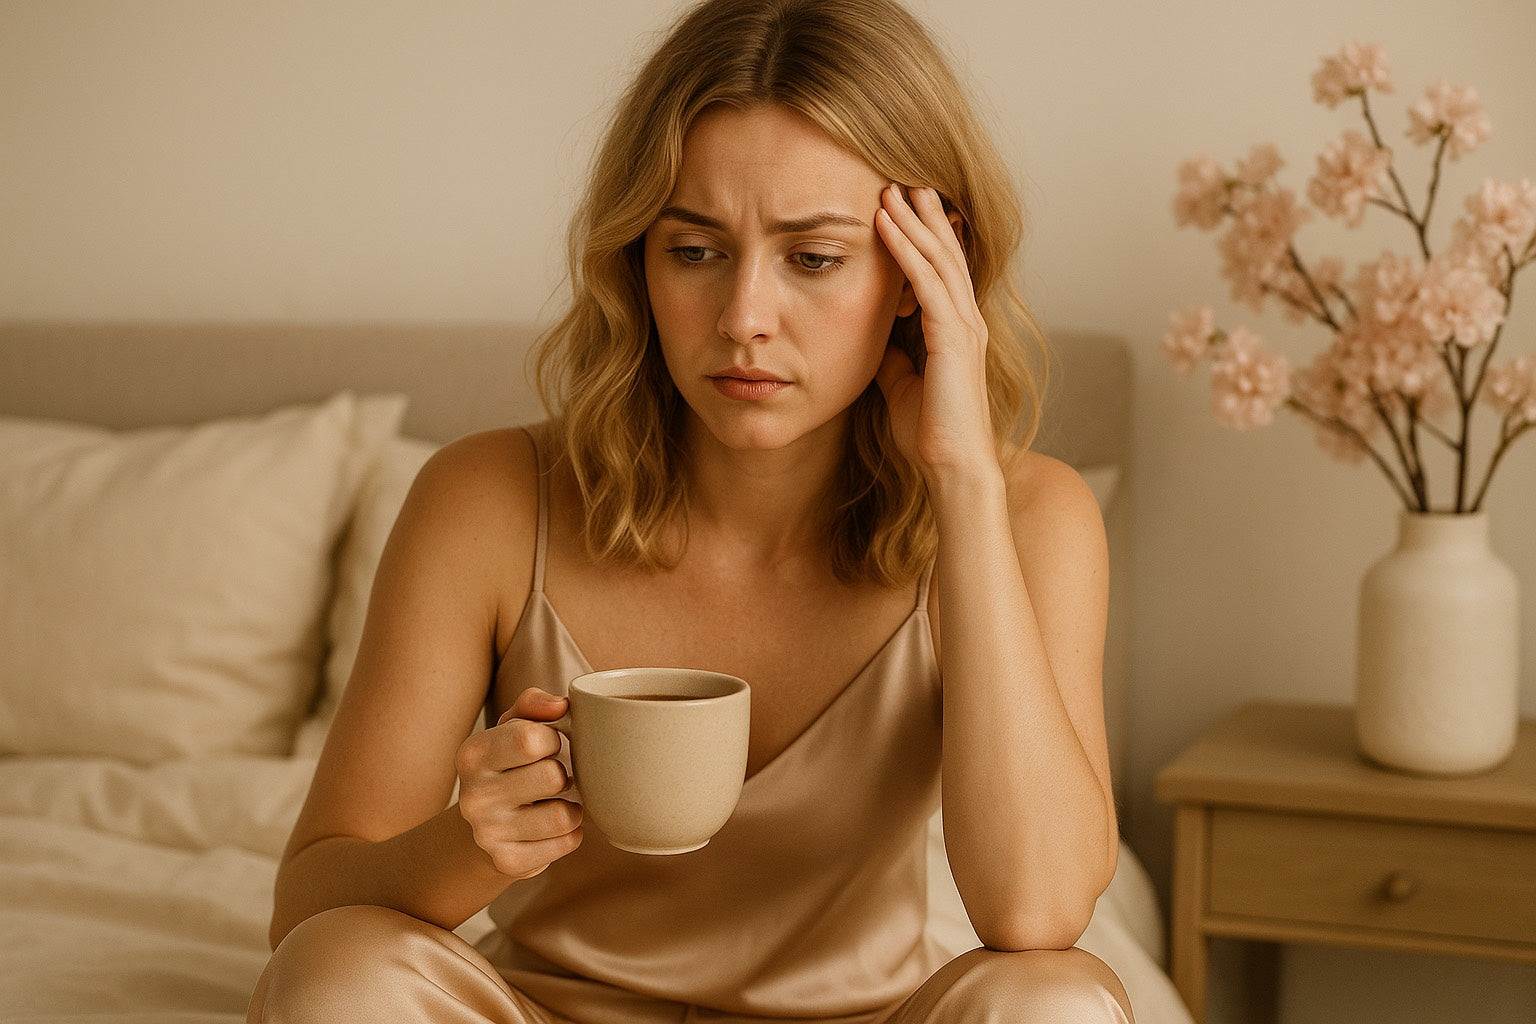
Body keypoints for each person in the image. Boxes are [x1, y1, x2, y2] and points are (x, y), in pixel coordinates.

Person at [248, 0, 1132, 1020]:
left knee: (1056, 999)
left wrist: (965, 484)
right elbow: (306, 907)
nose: (745, 318)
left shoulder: (1031, 515)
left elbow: (1036, 907)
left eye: (813, 257)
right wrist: (468, 843)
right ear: (640, 259)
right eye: (696, 250)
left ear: (919, 273)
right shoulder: (484, 500)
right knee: (339, 975)